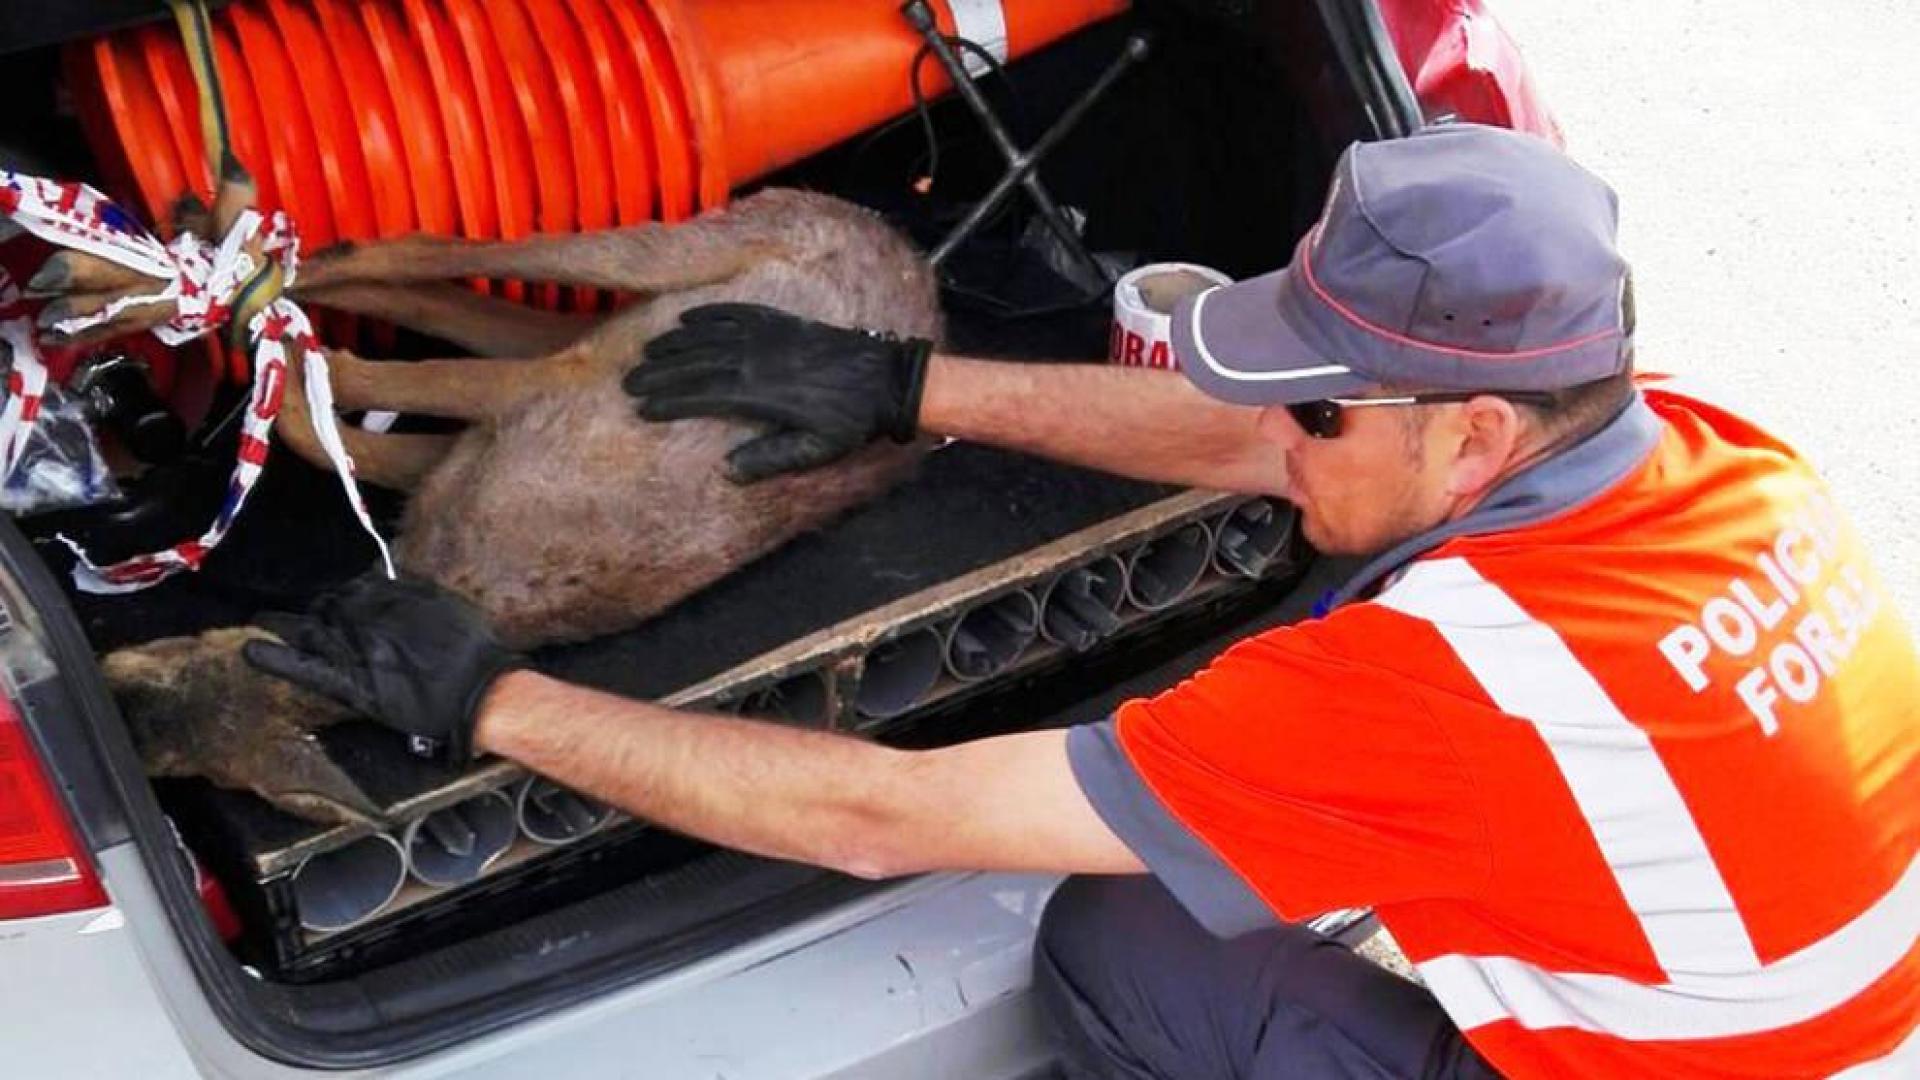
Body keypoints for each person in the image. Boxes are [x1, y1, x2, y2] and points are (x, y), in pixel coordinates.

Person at [245, 124, 1919, 1078]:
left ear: (1477, 430)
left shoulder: (1447, 690)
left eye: (1321, 410)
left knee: (1130, 947)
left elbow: (880, 820)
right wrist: (903, 390)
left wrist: (491, 701)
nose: (1277, 438)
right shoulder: (1690, 446)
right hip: (1810, 1007)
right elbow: (1250, 440)